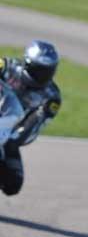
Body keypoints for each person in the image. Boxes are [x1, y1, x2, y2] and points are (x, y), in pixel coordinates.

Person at [0, 41, 62, 197]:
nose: (43, 76)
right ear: (27, 64)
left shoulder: (52, 96)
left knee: (13, 184)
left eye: (47, 71)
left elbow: (36, 122)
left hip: (9, 133)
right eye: (39, 70)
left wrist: (15, 139)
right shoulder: (7, 67)